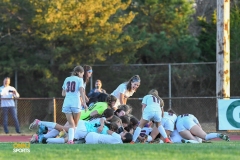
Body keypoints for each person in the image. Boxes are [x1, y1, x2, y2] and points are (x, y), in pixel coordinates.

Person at [62, 65, 87, 144]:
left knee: (71, 124)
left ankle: (70, 139)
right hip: (76, 102)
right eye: (82, 74)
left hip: (66, 103)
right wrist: (84, 103)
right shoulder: (80, 80)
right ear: (79, 73)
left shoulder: (67, 79)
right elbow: (81, 91)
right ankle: (71, 140)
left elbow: (63, 93)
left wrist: (70, 94)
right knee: (75, 124)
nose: (82, 76)